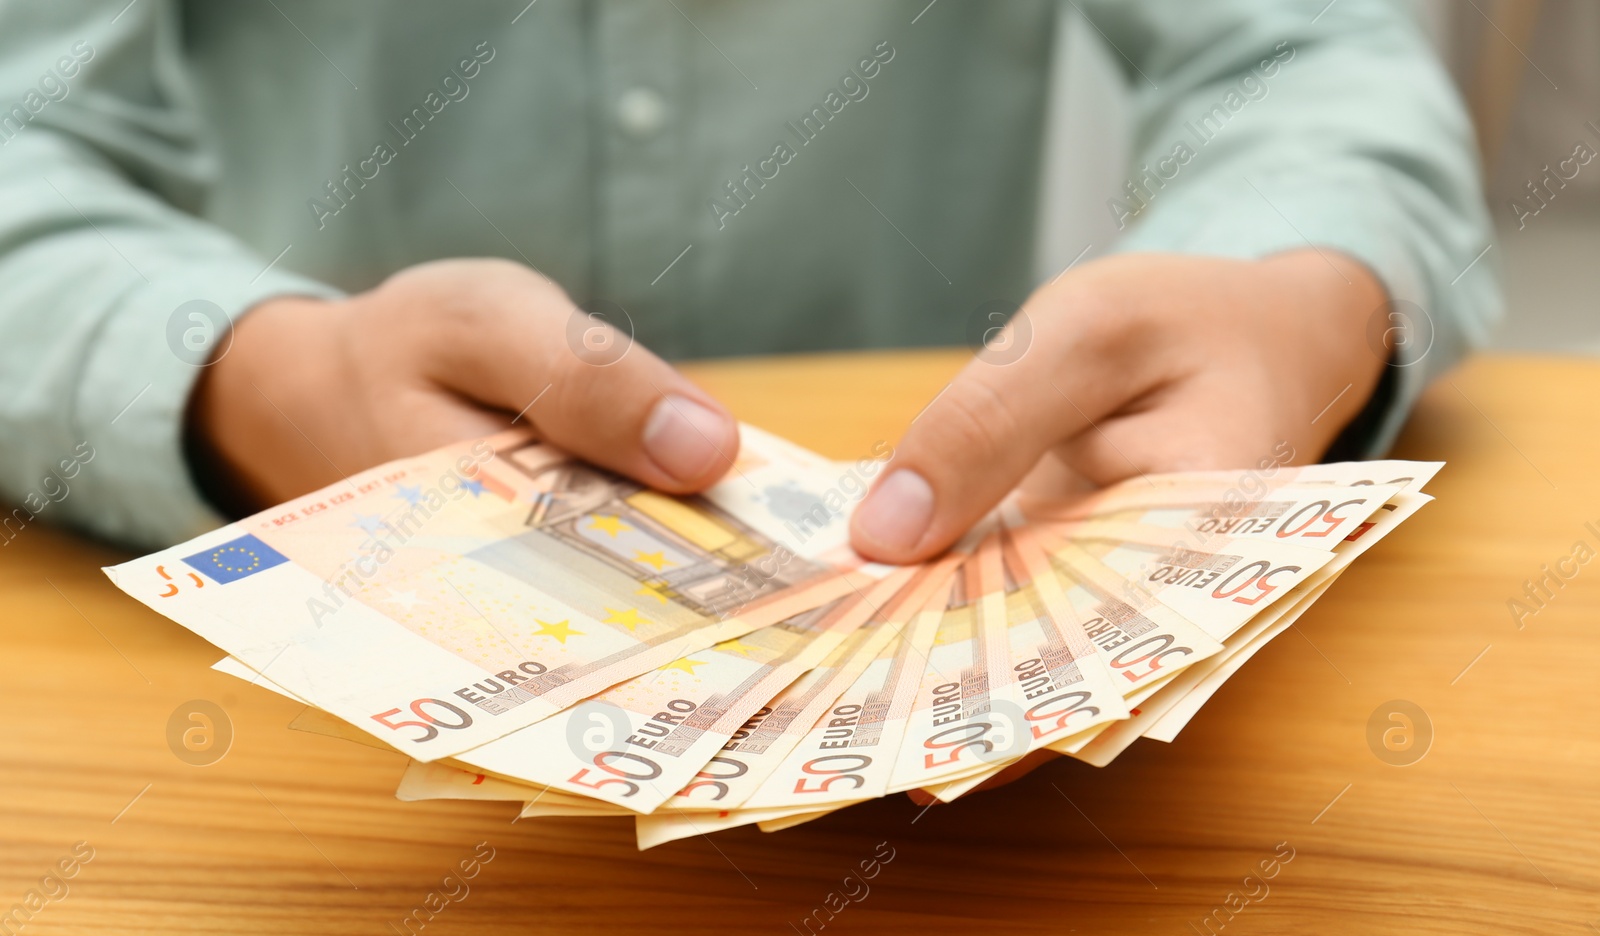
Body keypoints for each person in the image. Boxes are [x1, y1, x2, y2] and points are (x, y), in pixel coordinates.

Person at [0, 0, 1495, 564]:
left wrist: (1299, 293)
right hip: (302, 643)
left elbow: (1310, 62)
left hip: (958, 746)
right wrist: (244, 374)